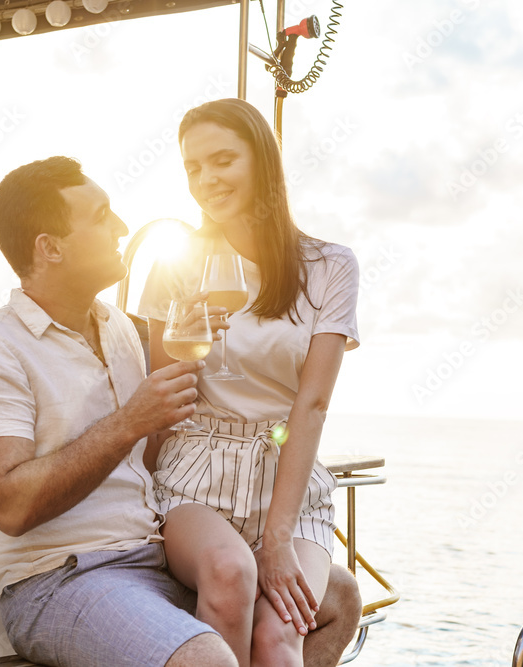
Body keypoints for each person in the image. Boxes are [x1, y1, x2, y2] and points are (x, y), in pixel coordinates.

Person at [0, 155, 361, 667]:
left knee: (337, 598)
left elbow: (163, 439)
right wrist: (129, 423)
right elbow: (8, 505)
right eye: (101, 217)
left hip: (150, 556)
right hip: (65, 577)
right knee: (207, 660)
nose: (120, 227)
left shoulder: (117, 327)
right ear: (49, 248)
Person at [138, 98, 361, 667]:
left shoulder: (331, 267)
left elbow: (311, 405)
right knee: (229, 571)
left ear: (261, 161)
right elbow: (154, 392)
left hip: (286, 476)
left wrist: (280, 538)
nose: (206, 179)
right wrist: (179, 346)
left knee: (278, 636)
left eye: (222, 160)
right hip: (197, 471)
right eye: (193, 168)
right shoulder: (177, 264)